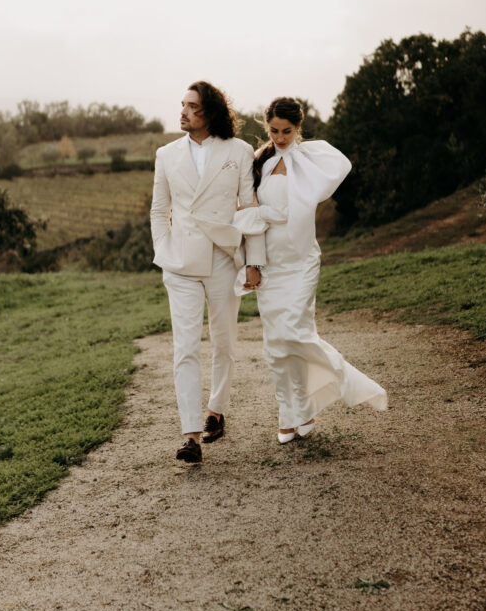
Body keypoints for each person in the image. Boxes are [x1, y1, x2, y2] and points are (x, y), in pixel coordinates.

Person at [234, 96, 387, 443]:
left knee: (296, 333)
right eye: (273, 130)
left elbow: (341, 166)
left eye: (287, 131)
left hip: (301, 261)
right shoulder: (260, 161)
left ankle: (346, 379)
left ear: (298, 127)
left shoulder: (309, 159)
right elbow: (247, 212)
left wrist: (300, 153)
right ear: (266, 127)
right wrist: (251, 263)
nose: (280, 137)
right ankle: (292, 415)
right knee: (275, 344)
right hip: (269, 262)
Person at [150, 81, 265, 463]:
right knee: (185, 347)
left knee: (224, 341)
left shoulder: (239, 151)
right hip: (180, 262)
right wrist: (163, 249)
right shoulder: (166, 154)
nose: (182, 111)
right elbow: (158, 210)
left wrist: (253, 261)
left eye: (191, 106)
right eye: (181, 104)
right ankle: (191, 436)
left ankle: (216, 410)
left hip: (221, 257)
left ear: (210, 112)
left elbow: (249, 207)